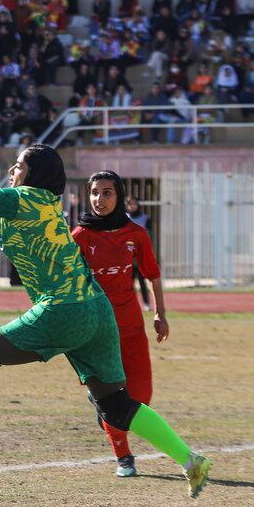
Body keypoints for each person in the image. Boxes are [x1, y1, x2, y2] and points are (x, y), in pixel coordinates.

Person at [0, 140, 211, 499]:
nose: (12, 171)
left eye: (18, 166)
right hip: (97, 308)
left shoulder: (26, 198)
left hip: (64, 308)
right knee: (115, 405)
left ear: (33, 174)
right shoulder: (43, 201)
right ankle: (191, 461)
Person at [72, 172, 169, 477]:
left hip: (129, 324)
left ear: (120, 195)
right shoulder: (79, 237)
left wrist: (159, 313)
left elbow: (152, 275)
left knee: (141, 395)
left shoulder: (136, 234)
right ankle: (124, 457)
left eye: (108, 193)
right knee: (113, 397)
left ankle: (105, 412)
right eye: (95, 193)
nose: (100, 200)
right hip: (95, 328)